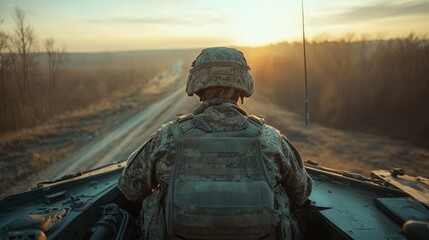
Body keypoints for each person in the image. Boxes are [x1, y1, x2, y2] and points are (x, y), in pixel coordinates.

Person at [118, 47, 312, 240]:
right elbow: (301, 193)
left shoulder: (168, 137)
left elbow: (130, 188)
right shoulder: (271, 140)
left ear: (197, 85)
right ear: (243, 86)